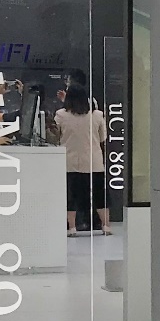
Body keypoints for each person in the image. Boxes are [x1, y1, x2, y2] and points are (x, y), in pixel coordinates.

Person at [51, 88, 110, 236]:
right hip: (94, 162)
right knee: (99, 195)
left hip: (70, 162)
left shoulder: (61, 115)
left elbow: (55, 136)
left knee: (71, 196)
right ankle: (106, 225)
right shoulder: (97, 115)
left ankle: (72, 227)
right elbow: (102, 138)